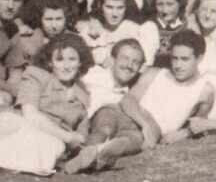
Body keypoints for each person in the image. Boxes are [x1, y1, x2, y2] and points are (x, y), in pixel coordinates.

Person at [0, 33, 94, 177]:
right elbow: (31, 115)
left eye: (72, 59)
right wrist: (68, 136)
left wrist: (77, 143)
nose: (66, 66)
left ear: (81, 62)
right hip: (22, 125)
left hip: (50, 141)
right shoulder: (36, 76)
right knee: (11, 123)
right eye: (60, 60)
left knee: (50, 146)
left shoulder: (82, 96)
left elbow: (80, 137)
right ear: (50, 62)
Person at [66, 38, 160, 173]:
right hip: (81, 121)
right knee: (105, 126)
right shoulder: (94, 73)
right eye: (125, 58)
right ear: (112, 60)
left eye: (136, 62)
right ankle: (87, 154)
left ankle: (93, 154)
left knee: (126, 131)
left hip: (104, 125)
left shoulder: (130, 92)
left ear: (140, 68)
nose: (129, 65)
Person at [130, 30, 216, 145]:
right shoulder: (154, 73)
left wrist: (184, 133)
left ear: (199, 58)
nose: (178, 65)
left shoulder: (205, 90)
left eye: (185, 59)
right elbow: (128, 99)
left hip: (148, 135)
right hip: (131, 119)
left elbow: (199, 123)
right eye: (175, 58)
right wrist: (146, 124)